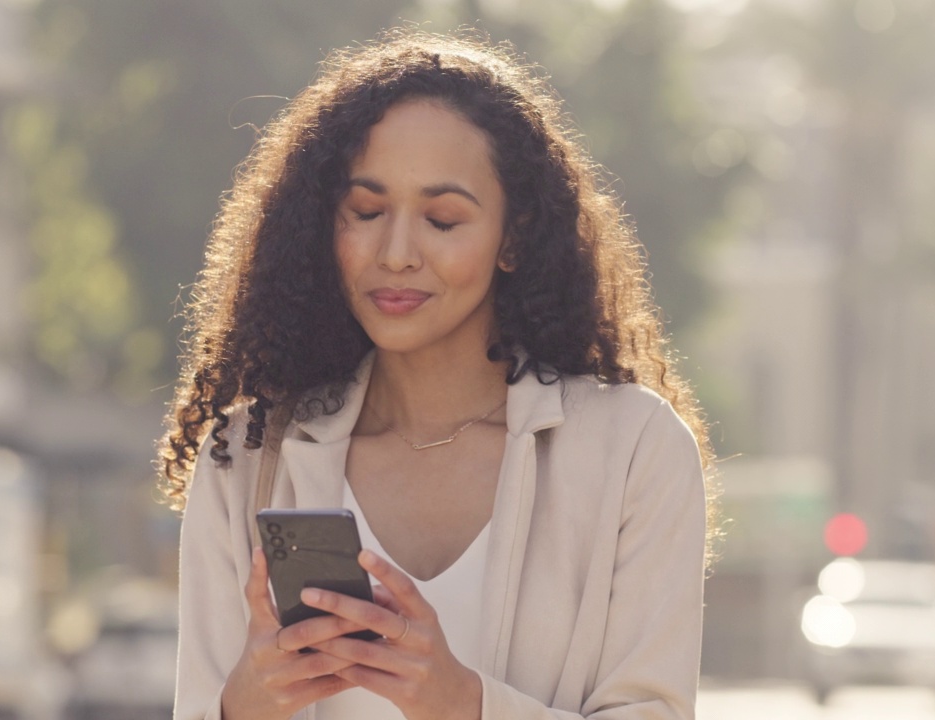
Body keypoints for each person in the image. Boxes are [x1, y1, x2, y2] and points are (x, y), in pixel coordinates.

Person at [158, 29, 717, 720]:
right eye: (365, 212)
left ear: (513, 236)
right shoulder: (246, 460)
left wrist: (465, 704)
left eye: (443, 219)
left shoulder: (634, 450)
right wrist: (244, 706)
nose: (396, 253)